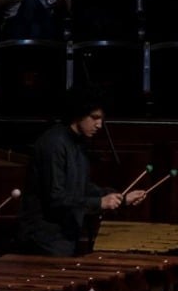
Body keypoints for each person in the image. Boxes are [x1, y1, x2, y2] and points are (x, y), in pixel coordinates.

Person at [19, 88, 146, 257]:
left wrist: (120, 197)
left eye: (101, 119)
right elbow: (56, 198)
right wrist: (99, 203)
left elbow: (81, 187)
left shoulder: (78, 143)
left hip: (64, 236)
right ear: (78, 114)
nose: (99, 125)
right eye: (94, 118)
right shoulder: (53, 144)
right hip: (44, 239)